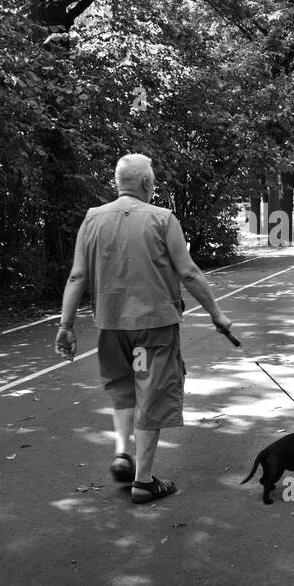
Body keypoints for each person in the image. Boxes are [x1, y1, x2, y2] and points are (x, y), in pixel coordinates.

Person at [55, 154, 234, 504]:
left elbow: (77, 275)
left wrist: (66, 325)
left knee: (122, 389)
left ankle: (122, 451)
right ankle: (144, 481)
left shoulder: (92, 219)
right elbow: (189, 273)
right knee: (151, 396)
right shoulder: (163, 219)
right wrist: (216, 315)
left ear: (117, 183)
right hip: (155, 327)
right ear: (148, 185)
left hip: (110, 324)